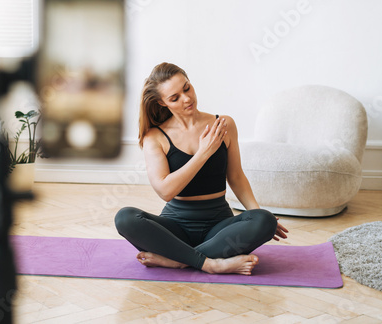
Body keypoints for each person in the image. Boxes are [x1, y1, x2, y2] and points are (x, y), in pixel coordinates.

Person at [115, 62, 288, 275]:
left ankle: (178, 261)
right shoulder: (155, 137)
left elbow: (235, 176)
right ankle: (211, 263)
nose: (186, 98)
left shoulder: (224, 124)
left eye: (186, 88)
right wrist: (203, 153)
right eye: (174, 97)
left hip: (220, 226)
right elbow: (165, 191)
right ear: (162, 103)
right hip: (175, 228)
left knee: (265, 220)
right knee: (125, 218)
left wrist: (256, 212)